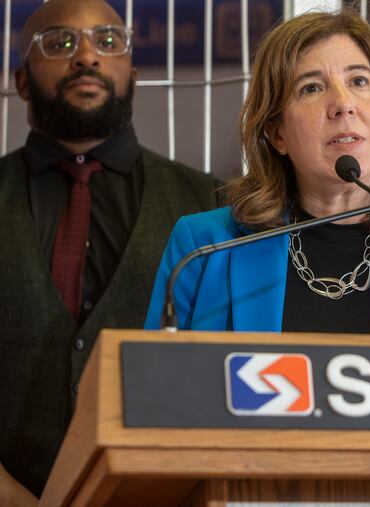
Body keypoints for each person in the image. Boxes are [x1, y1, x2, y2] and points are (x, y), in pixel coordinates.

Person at [145, 10, 370, 340]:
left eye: (359, 81)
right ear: (277, 134)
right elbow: (156, 392)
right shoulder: (203, 249)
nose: (343, 104)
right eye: (312, 88)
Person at [0, 0, 217, 501]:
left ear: (134, 74)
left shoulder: (213, 206)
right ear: (23, 81)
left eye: (108, 41)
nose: (87, 57)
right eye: (59, 42)